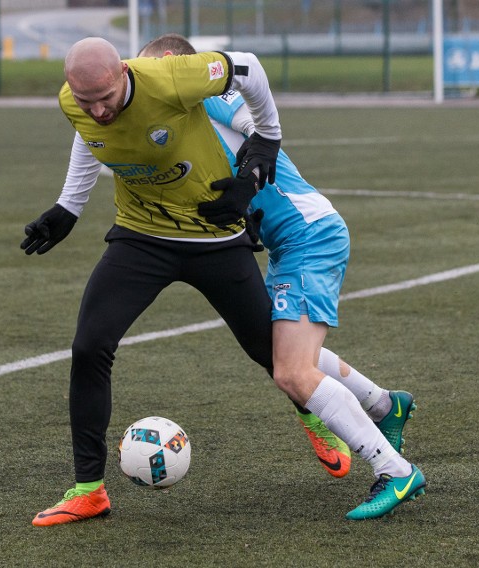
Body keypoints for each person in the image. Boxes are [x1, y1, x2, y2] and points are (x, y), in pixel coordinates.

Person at [21, 38, 406, 526]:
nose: (96, 109)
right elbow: (93, 135)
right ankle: (88, 489)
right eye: (86, 99)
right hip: (144, 239)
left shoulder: (184, 83)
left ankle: (324, 415)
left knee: (280, 357)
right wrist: (68, 208)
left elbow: (251, 108)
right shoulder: (80, 101)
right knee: (90, 345)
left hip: (222, 242)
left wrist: (257, 161)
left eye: (104, 97)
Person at [139, 33, 426, 521]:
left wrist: (249, 181)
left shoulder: (213, 95)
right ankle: (383, 405)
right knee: (285, 355)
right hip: (290, 242)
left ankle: (395, 471)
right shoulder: (183, 119)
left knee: (292, 371)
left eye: (149, 73)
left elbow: (259, 131)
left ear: (170, 64)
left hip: (309, 236)